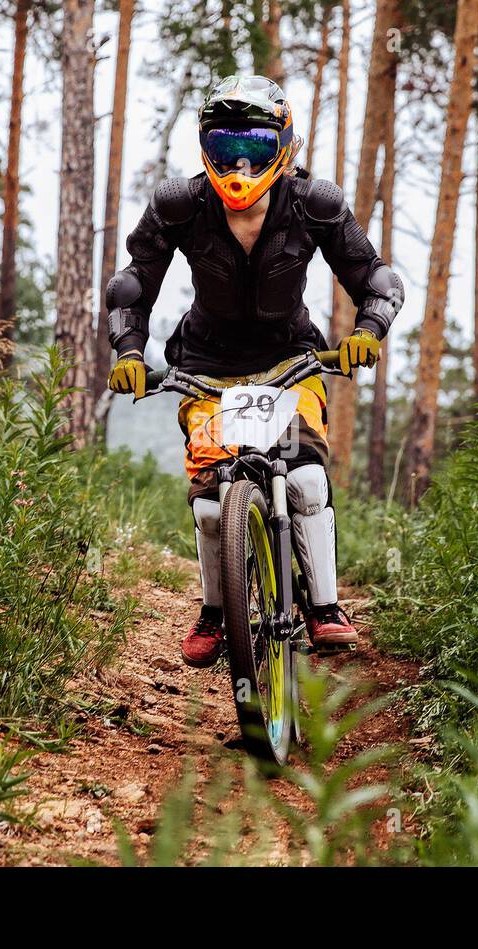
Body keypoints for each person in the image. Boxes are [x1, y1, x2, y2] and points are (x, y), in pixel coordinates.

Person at [104, 75, 404, 668]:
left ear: (285, 146)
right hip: (206, 367)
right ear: (204, 150)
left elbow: (376, 277)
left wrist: (367, 333)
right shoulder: (179, 206)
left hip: (291, 360)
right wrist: (130, 352)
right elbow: (133, 284)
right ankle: (215, 614)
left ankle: (324, 607)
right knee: (213, 503)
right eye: (224, 150)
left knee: (305, 481)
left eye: (257, 149)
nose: (240, 166)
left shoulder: (314, 204)